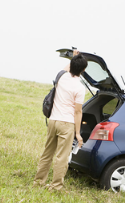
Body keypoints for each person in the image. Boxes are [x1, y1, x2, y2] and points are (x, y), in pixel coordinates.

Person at [33, 50, 88, 191]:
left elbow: (67, 67)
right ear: (83, 70)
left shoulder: (61, 77)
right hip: (67, 124)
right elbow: (77, 111)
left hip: (53, 121)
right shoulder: (80, 88)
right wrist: (78, 133)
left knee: (47, 153)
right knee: (62, 157)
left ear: (71, 65)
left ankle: (38, 182)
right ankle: (56, 186)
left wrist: (75, 56)